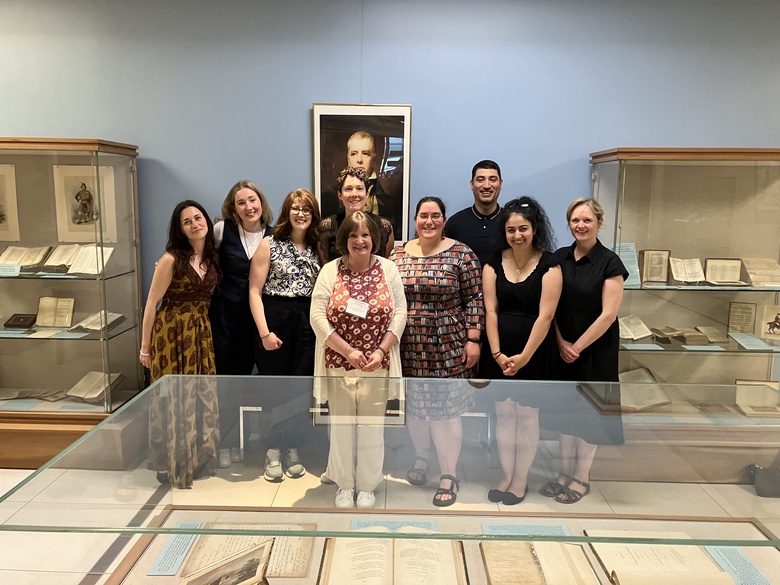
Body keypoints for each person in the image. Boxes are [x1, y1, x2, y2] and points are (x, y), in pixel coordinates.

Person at [390, 196, 485, 507]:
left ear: (444, 220)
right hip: (407, 345)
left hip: (448, 345)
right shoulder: (397, 254)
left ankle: (448, 474)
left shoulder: (462, 254)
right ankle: (421, 459)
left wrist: (473, 339)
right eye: (422, 216)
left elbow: (474, 299)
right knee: (416, 407)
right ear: (414, 220)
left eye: (435, 216)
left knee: (444, 412)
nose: (428, 222)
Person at [310, 211, 407, 509]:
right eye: (353, 235)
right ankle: (344, 484)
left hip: (377, 364)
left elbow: (400, 313)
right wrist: (348, 351)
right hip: (338, 363)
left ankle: (366, 485)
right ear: (344, 240)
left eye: (365, 235)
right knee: (340, 425)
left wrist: (380, 351)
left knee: (370, 426)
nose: (359, 240)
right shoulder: (330, 271)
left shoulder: (388, 269)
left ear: (374, 240)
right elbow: (317, 316)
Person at [540, 197, 627, 504]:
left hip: (595, 350)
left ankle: (581, 477)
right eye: (575, 220)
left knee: (589, 414)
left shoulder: (610, 262)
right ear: (569, 224)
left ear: (599, 223)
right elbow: (550, 306)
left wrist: (577, 346)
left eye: (587, 220)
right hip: (562, 346)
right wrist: (562, 342)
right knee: (565, 412)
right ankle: (563, 473)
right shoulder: (559, 258)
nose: (581, 225)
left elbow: (608, 314)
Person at [482, 197, 562, 505]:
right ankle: (505, 474)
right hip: (499, 353)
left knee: (527, 417)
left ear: (535, 229)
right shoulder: (492, 262)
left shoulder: (550, 264)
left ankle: (520, 479)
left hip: (535, 353)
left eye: (523, 229)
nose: (517, 235)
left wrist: (525, 357)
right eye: (512, 229)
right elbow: (490, 310)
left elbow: (546, 316)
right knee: (503, 415)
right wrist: (497, 354)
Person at [139, 200, 221, 489]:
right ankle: (169, 462)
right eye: (187, 221)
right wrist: (145, 347)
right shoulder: (171, 259)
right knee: (173, 398)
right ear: (180, 229)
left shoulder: (212, 257)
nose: (195, 224)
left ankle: (195, 458)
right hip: (172, 333)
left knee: (198, 395)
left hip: (200, 334)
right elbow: (151, 303)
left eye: (198, 218)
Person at [248, 189, 321, 482]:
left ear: (313, 214)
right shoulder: (269, 244)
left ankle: (293, 449)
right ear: (286, 212)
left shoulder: (319, 247)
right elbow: (254, 291)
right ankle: (272, 451)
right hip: (274, 317)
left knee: (300, 390)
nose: (301, 214)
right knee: (274, 389)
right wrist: (264, 333)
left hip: (307, 320)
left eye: (306, 209)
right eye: (295, 208)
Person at [210, 180, 273, 376]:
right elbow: (200, 256)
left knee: (256, 369)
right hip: (226, 315)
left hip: (260, 316)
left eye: (252, 200)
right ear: (234, 208)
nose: (249, 207)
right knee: (226, 369)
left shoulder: (275, 236)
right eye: (241, 203)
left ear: (261, 202)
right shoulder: (221, 229)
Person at [318, 167, 394, 265]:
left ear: (367, 194)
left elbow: (384, 267)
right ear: (340, 195)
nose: (354, 194)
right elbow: (326, 270)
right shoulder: (326, 227)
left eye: (359, 189)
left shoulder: (384, 227)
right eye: (348, 189)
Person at [444, 160, 503, 267]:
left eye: (492, 179)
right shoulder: (455, 223)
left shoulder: (512, 223)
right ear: (471, 184)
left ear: (501, 184)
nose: (486, 185)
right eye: (480, 180)